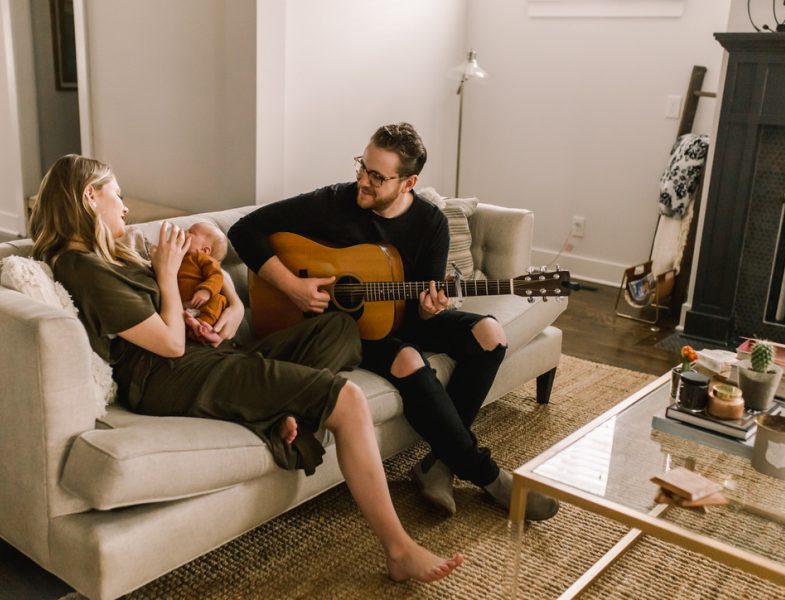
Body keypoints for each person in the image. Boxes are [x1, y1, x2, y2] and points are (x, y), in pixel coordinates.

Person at [29, 154, 463, 583]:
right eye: (117, 195)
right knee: (346, 399)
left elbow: (194, 306)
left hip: (202, 357)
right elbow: (169, 344)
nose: (125, 206)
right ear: (90, 196)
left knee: (339, 328)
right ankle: (399, 550)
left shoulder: (112, 255)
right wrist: (165, 275)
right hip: (165, 376)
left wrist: (224, 312)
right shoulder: (80, 265)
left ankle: (279, 411)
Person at [228, 123, 559, 521]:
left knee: (489, 334)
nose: (362, 182)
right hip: (343, 329)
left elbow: (422, 310)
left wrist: (432, 309)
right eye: (362, 167)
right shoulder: (332, 202)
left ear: (408, 182)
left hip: (403, 316)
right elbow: (244, 229)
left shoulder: (431, 224)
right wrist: (292, 287)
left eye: (377, 177)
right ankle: (486, 475)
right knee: (408, 361)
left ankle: (439, 463)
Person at [177, 221, 229, 347]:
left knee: (219, 300)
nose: (184, 232)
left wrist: (206, 291)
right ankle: (193, 329)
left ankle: (202, 327)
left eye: (191, 232)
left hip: (202, 303)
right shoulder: (176, 255)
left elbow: (217, 276)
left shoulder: (201, 258)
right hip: (181, 305)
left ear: (204, 250)